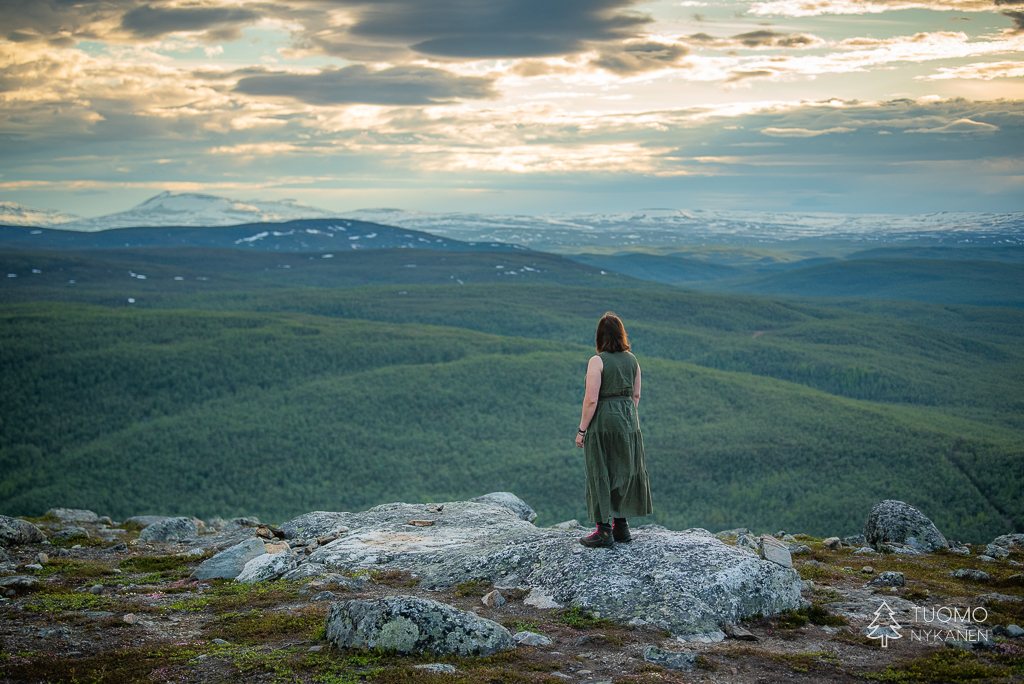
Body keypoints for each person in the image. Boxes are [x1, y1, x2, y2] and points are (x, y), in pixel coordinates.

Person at [574, 312, 653, 548]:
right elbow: (636, 395)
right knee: (623, 469)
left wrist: (581, 430)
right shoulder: (633, 360)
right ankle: (622, 527)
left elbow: (591, 400)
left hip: (603, 423)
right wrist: (626, 416)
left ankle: (603, 531)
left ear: (600, 336)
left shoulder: (597, 361)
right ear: (621, 334)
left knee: (600, 469)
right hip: (629, 421)